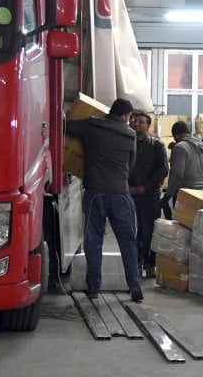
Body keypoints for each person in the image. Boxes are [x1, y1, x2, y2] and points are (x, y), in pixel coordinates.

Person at [65, 98, 144, 302]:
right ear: (126, 116)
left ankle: (94, 287)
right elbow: (132, 164)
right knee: (127, 241)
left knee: (94, 240)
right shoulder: (130, 134)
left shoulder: (92, 125)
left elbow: (67, 125)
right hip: (120, 194)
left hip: (95, 193)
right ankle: (134, 285)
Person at [129, 112, 168, 279]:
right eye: (134, 121)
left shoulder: (157, 145)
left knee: (150, 230)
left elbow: (163, 170)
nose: (136, 124)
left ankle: (150, 263)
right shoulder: (126, 143)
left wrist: (144, 187)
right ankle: (135, 263)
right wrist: (128, 187)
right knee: (131, 231)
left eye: (141, 122)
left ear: (148, 126)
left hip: (150, 194)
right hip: (129, 193)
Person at [159, 121, 203, 214]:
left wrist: (167, 196)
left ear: (175, 135)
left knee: (180, 226)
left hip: (184, 194)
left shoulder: (180, 147)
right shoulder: (200, 145)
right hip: (200, 192)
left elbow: (177, 175)